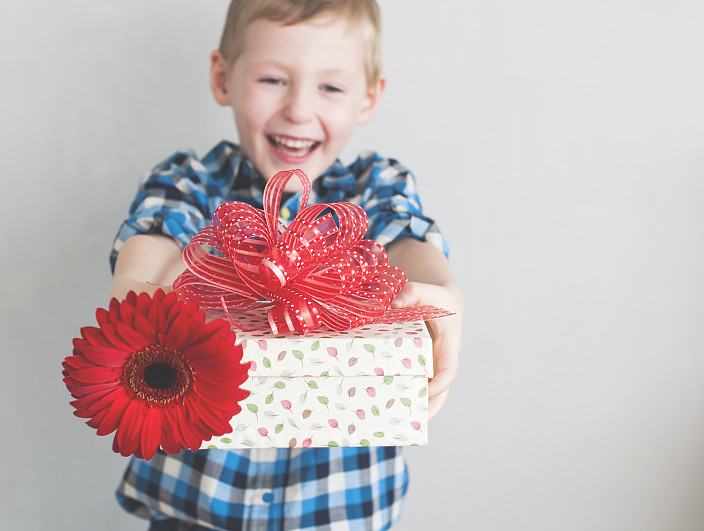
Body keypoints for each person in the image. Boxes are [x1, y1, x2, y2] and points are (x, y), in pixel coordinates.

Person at [108, 1, 464, 529]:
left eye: (331, 88)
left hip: (338, 514)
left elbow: (410, 244)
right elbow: (154, 247)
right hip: (194, 515)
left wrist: (442, 294)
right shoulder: (191, 183)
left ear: (369, 98)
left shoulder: (375, 188)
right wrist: (139, 293)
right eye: (274, 79)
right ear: (223, 78)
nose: (298, 109)